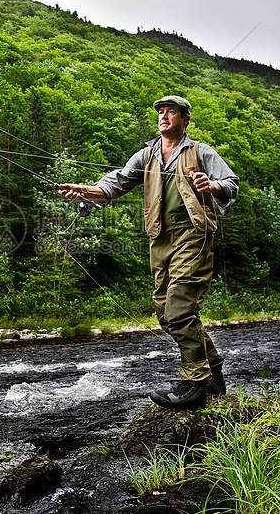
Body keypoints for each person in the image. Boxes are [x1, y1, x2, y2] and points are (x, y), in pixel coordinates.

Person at [58, 95, 239, 410]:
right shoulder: (147, 155)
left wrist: (212, 185)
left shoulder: (200, 151)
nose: (164, 116)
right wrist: (84, 191)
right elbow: (115, 183)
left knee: (180, 310)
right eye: (161, 112)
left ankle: (194, 384)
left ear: (185, 119)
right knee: (165, 314)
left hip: (193, 234)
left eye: (171, 112)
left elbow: (231, 184)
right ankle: (213, 371)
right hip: (160, 238)